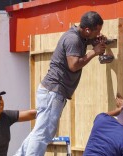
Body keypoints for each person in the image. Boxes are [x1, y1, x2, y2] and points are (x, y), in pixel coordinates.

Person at [15, 11, 107, 156]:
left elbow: (84, 43)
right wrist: (94, 52)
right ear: (88, 29)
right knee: (43, 133)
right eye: (97, 31)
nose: (99, 34)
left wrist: (94, 42)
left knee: (40, 130)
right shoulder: (73, 39)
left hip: (51, 91)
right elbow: (74, 65)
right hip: (54, 91)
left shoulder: (79, 36)